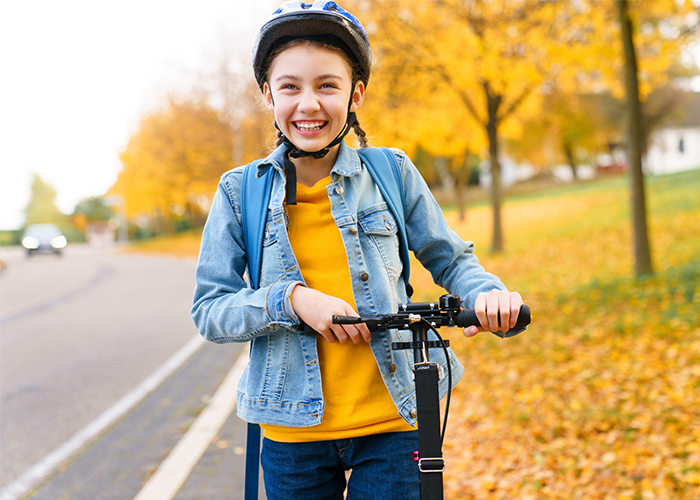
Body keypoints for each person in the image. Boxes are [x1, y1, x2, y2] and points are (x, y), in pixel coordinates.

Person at [191, 1, 524, 499]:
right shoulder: (240, 192)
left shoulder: (391, 172)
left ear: (355, 94)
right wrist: (292, 300)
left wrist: (487, 294)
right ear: (268, 95)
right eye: (290, 86)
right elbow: (210, 310)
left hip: (395, 419)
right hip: (292, 434)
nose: (309, 104)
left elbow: (452, 259)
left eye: (328, 85)